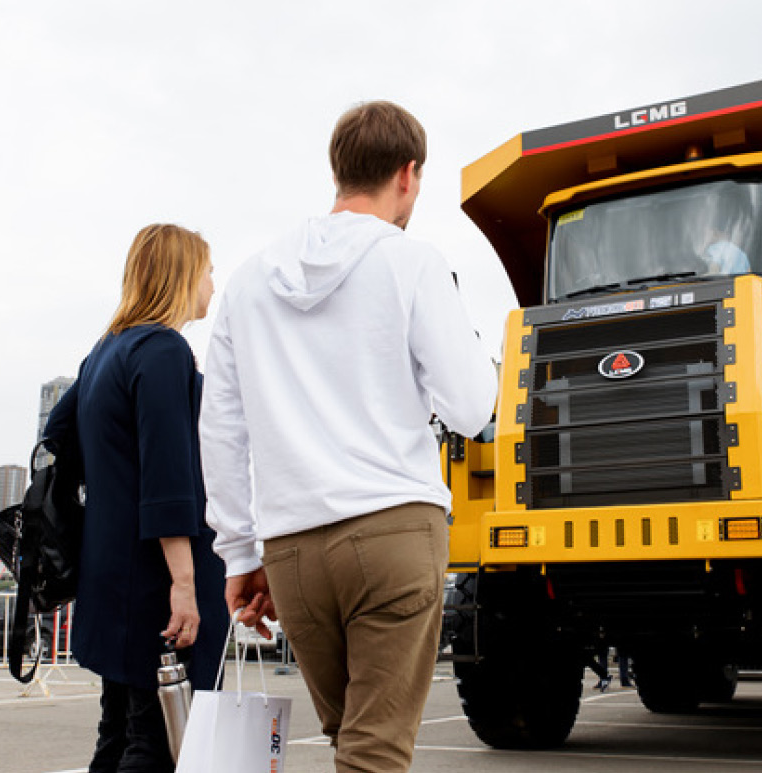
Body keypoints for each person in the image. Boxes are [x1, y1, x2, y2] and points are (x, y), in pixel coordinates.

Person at [200, 101, 497, 772]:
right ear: (409, 174)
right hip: (393, 530)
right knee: (375, 749)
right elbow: (472, 405)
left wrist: (241, 551)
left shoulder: (248, 282)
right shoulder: (412, 263)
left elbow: (220, 426)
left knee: (354, 739)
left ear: (338, 172)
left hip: (293, 551)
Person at [44, 224, 228, 773]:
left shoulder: (105, 352)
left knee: (118, 731)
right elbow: (169, 480)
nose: (213, 285)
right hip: (156, 577)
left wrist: (112, 479)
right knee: (158, 742)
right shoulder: (164, 351)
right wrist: (185, 585)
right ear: (183, 275)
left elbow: (58, 433)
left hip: (109, 571)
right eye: (208, 270)